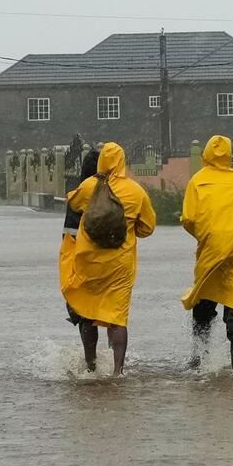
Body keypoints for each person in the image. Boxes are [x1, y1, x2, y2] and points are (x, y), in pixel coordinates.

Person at [62, 142, 157, 376]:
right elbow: (148, 228)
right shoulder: (136, 191)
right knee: (117, 317)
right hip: (120, 265)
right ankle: (118, 371)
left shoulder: (90, 186)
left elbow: (73, 204)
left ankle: (90, 366)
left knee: (87, 312)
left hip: (89, 262)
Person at [180, 136, 233, 373]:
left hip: (209, 250)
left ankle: (199, 360)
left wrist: (205, 234)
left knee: (204, 302)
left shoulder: (197, 181)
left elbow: (188, 219)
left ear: (206, 154)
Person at [59, 148, 99, 324]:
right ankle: (117, 352)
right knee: (114, 316)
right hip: (113, 259)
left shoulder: (79, 194)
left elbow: (69, 234)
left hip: (82, 259)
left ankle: (89, 353)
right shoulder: (122, 191)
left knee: (84, 315)